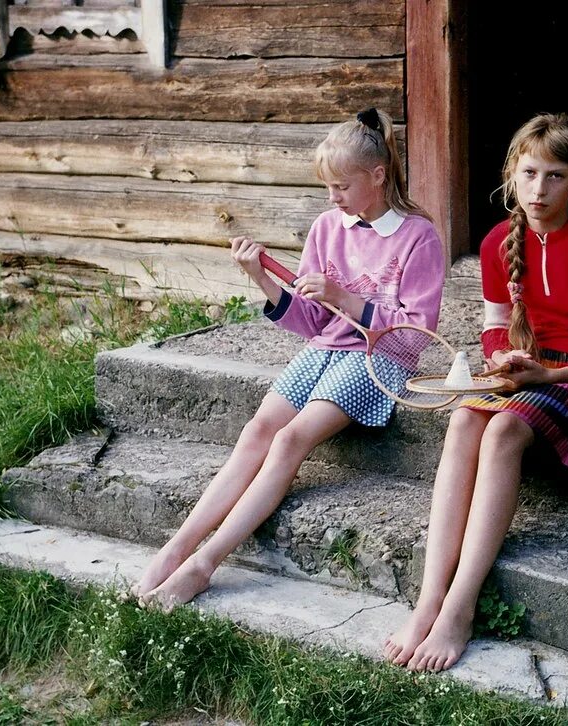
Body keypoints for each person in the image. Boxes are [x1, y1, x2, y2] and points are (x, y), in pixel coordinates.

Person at [133, 108, 445, 611]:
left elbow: (413, 339)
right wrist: (261, 278)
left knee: (289, 439)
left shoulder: (418, 237)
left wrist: (345, 298)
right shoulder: (327, 228)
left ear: (378, 175)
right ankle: (177, 546)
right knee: (258, 430)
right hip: (324, 351)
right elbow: (313, 325)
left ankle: (204, 564)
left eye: (341, 186)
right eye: (328, 187)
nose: (332, 198)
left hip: (376, 360)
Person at [384, 113, 568, 671]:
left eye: (553, 176)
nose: (539, 190)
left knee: (501, 429)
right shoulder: (501, 241)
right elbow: (495, 326)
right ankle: (429, 597)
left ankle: (460, 605)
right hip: (530, 371)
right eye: (528, 174)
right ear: (511, 174)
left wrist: (546, 376)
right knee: (462, 420)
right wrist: (503, 355)